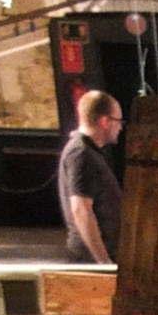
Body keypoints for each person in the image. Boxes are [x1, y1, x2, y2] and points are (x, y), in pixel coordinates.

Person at [58, 88, 123, 264]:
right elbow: (81, 209)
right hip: (90, 262)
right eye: (118, 121)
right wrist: (104, 263)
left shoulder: (90, 152)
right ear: (105, 121)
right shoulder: (81, 153)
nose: (120, 127)